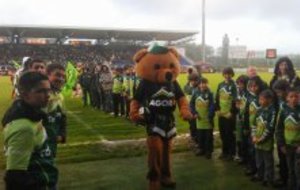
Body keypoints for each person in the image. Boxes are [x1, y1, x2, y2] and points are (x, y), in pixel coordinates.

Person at [2, 71, 58, 190]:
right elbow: (14, 176)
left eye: (48, 90)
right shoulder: (24, 128)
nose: (48, 95)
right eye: (41, 91)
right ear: (25, 95)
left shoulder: (30, 112)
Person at [251, 89, 277, 187]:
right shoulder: (259, 110)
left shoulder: (273, 112)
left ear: (269, 100)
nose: (260, 101)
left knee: (268, 162)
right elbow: (254, 124)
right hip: (257, 140)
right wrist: (254, 136)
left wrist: (261, 139)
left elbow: (270, 128)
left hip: (266, 142)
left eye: (262, 99)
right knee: (259, 160)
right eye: (259, 99)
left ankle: (268, 178)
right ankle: (260, 175)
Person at [276, 88, 300, 190]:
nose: (294, 99)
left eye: (296, 96)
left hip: (298, 147)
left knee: (298, 170)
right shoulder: (283, 111)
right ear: (286, 98)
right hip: (287, 146)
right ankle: (291, 186)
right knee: (290, 169)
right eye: (291, 96)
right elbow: (279, 129)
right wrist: (281, 144)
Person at [244, 76, 267, 176]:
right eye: (251, 86)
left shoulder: (264, 97)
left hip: (261, 128)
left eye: (255, 86)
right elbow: (246, 113)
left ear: (260, 85)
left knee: (260, 151)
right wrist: (245, 127)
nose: (253, 88)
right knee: (251, 149)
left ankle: (262, 171)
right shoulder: (249, 97)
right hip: (251, 128)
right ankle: (253, 168)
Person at [215, 67, 237, 160]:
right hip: (221, 114)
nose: (227, 76)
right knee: (223, 134)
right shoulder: (220, 85)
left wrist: (232, 112)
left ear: (232, 74)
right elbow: (217, 98)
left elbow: (236, 101)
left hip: (229, 115)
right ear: (223, 74)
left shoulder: (234, 86)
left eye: (229, 74)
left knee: (229, 134)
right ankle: (224, 152)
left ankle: (231, 153)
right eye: (225, 74)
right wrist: (217, 110)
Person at [190, 77, 214, 159]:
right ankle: (201, 149)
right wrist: (195, 113)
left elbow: (212, 105)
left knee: (208, 136)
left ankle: (208, 151)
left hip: (207, 119)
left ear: (207, 84)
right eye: (200, 83)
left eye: (204, 83)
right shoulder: (196, 93)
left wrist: (210, 115)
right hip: (199, 119)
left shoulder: (210, 93)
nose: (202, 85)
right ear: (198, 85)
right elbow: (191, 104)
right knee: (200, 135)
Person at [272, 80, 290, 187]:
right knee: (282, 157)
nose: (278, 94)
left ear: (286, 90)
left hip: (291, 135)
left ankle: (289, 180)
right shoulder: (280, 100)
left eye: (279, 92)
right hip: (281, 133)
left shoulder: (293, 101)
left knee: (290, 160)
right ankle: (283, 179)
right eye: (277, 92)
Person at [235, 74, 249, 164]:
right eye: (238, 84)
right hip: (239, 118)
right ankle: (241, 156)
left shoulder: (248, 94)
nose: (239, 86)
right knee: (239, 138)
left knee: (245, 140)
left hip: (246, 120)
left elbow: (247, 109)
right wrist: (237, 105)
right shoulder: (240, 92)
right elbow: (239, 104)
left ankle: (246, 158)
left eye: (241, 84)